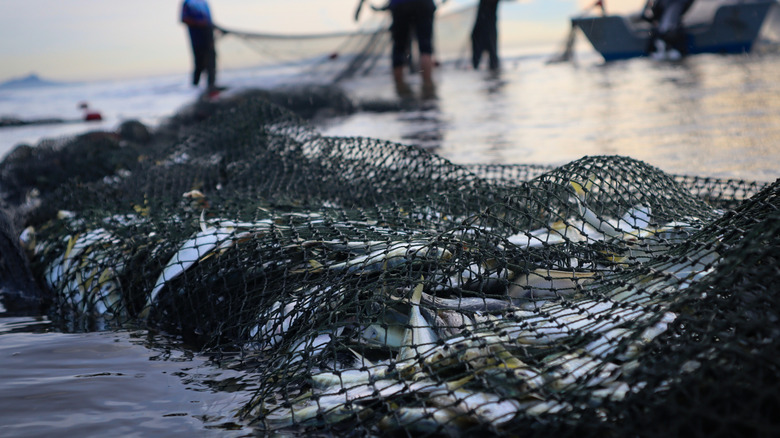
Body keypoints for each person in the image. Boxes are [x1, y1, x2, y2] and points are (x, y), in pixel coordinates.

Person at [387, 0, 440, 98]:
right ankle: (428, 91)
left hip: (399, 4)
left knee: (399, 49)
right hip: (423, 4)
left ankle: (401, 92)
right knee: (425, 48)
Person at [181, 0, 217, 90]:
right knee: (200, 63)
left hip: (209, 38)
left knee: (212, 61)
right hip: (197, 39)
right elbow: (184, 19)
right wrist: (200, 23)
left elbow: (209, 19)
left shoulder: (204, 2)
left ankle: (211, 86)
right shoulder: (188, 3)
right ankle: (195, 88)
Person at [471, 0, 500, 71]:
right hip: (480, 31)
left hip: (488, 31)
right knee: (477, 62)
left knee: (493, 61)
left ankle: (492, 72)